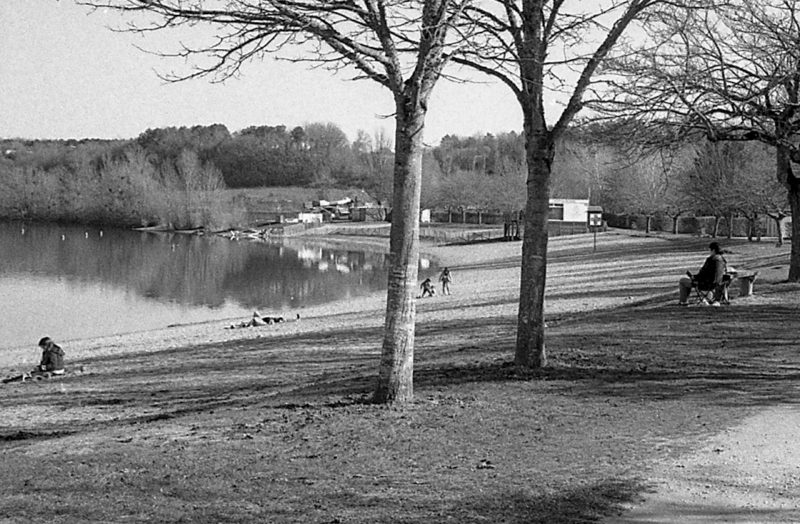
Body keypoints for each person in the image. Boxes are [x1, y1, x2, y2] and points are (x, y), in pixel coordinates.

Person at [678, 242, 729, 306]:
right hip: (717, 284)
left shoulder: (711, 260)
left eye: (710, 250)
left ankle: (683, 301)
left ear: (713, 250)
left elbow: (703, 274)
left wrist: (694, 277)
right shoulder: (723, 260)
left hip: (705, 284)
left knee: (682, 281)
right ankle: (709, 298)